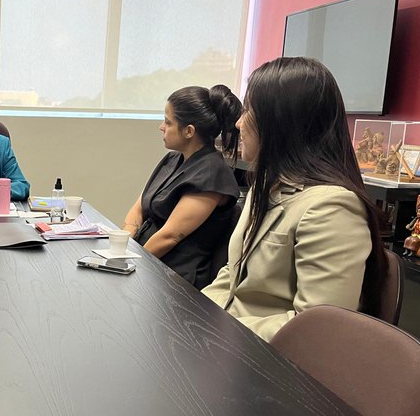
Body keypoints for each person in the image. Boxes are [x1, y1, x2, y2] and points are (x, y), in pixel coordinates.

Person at [202, 57, 388, 341]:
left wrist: (223, 328)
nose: (239, 122)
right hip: (231, 343)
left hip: (271, 364)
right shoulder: (266, 186)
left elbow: (318, 331)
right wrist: (194, 311)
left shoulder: (331, 208)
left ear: (279, 122)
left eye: (249, 110)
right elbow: (234, 275)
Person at [122, 85, 242, 289]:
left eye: (168, 122)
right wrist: (121, 246)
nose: (162, 127)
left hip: (175, 278)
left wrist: (130, 263)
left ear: (189, 131)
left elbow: (170, 237)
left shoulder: (212, 173)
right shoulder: (173, 159)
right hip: (146, 260)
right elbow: (139, 207)